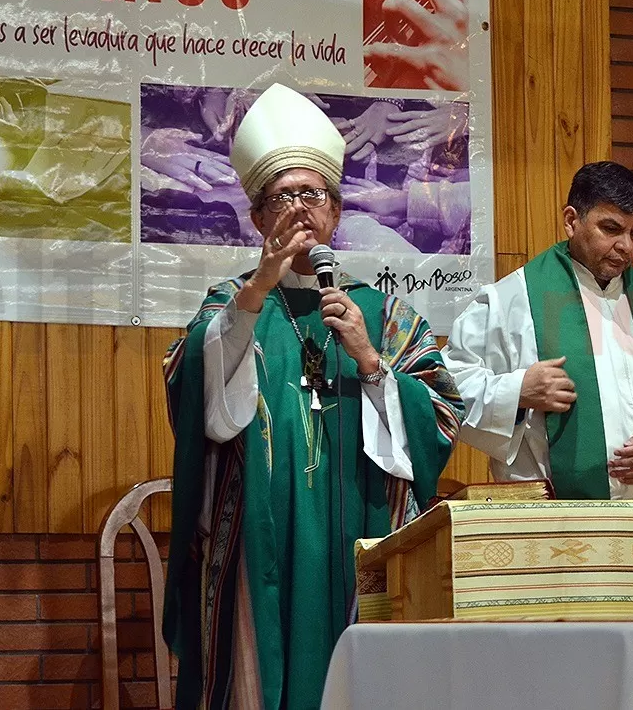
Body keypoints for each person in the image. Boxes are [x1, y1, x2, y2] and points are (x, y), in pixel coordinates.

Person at [161, 83, 463, 710]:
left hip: (359, 531)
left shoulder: (383, 315)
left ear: (336, 208)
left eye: (313, 193)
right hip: (257, 537)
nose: (301, 208)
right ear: (257, 216)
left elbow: (439, 417)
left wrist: (370, 360)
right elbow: (197, 399)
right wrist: (258, 289)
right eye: (283, 195)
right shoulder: (230, 305)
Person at [442, 160, 633, 516]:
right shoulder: (510, 301)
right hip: (546, 525)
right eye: (611, 229)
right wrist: (517, 391)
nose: (626, 247)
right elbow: (446, 388)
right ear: (572, 220)